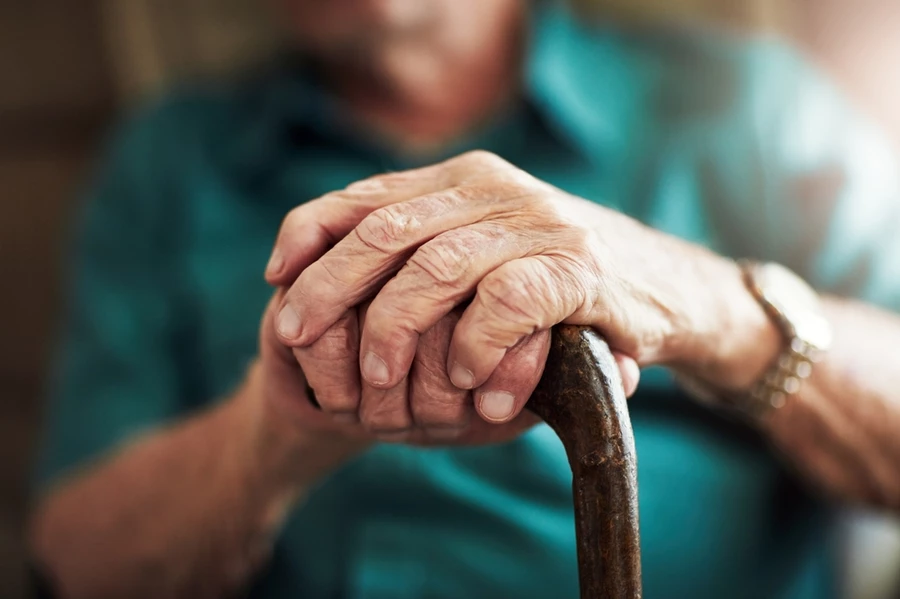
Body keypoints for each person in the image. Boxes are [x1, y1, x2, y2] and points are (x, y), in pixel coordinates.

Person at [27, 0, 900, 597]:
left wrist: (707, 303)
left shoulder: (748, 108)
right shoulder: (170, 161)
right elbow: (76, 559)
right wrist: (270, 438)